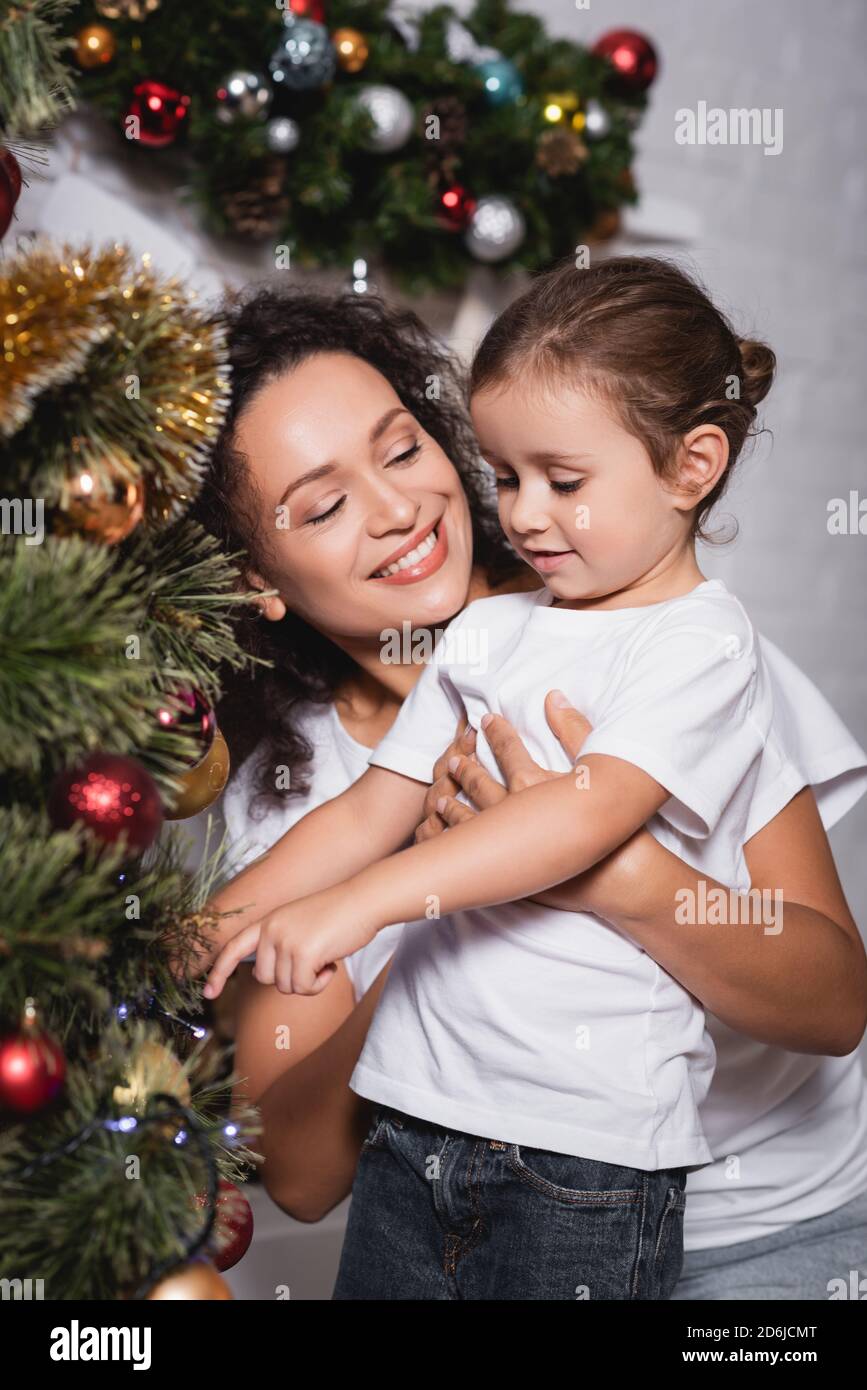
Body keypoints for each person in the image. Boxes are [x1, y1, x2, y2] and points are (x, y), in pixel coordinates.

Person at [202, 259, 867, 1300]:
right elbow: (301, 1170)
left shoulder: (667, 643)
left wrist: (594, 872)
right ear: (255, 578)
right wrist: (435, 920)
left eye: (403, 450)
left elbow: (834, 1003)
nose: (394, 509)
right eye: (324, 504)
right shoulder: (314, 775)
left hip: (759, 1225)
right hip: (446, 1189)